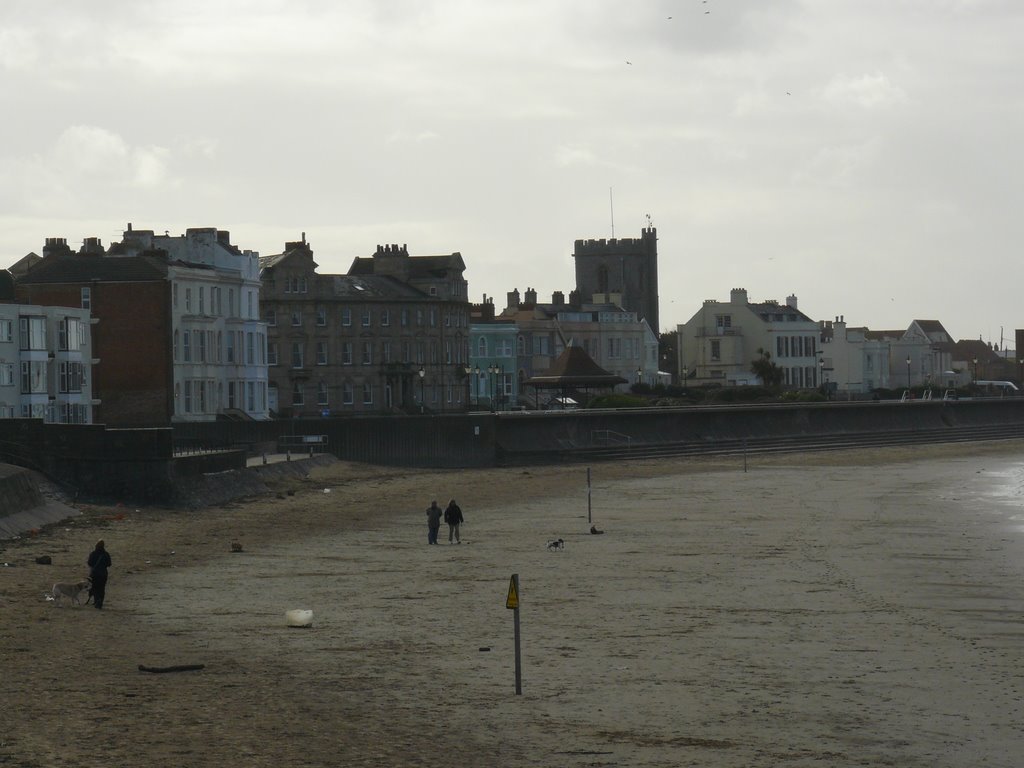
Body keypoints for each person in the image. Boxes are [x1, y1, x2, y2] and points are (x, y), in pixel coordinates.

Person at [87, 540, 112, 609]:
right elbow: (109, 564)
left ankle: (97, 600)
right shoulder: (106, 554)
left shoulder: (93, 553)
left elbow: (89, 563)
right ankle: (100, 601)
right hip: (103, 574)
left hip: (95, 574)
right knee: (102, 588)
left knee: (95, 588)